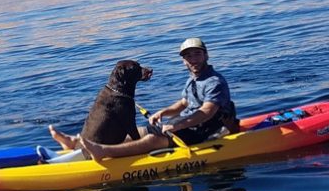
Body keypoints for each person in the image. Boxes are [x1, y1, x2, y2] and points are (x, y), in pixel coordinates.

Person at [81, 37, 237, 161]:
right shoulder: (194, 79)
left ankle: (103, 152)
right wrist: (163, 113)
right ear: (184, 60)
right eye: (188, 56)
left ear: (206, 55)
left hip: (206, 128)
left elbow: (207, 112)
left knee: (152, 140)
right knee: (140, 132)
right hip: (184, 124)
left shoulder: (214, 82)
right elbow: (184, 103)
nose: (193, 59)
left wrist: (178, 125)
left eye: (197, 54)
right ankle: (86, 147)